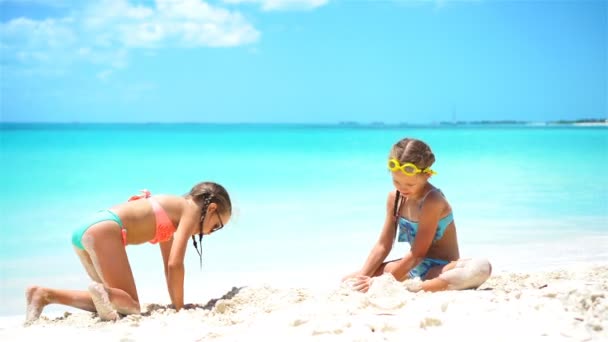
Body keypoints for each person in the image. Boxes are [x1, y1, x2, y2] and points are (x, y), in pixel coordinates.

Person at [25, 181, 232, 323]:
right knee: (132, 306)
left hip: (87, 230)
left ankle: (44, 295)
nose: (212, 233)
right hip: (105, 230)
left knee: (115, 303)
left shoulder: (173, 210)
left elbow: (168, 268)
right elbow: (175, 264)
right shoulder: (190, 210)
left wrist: (176, 304)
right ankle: (89, 292)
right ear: (211, 208)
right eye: (216, 226)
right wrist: (179, 309)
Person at [344, 138, 491, 293]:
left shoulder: (432, 201)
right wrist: (363, 277)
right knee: (349, 281)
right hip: (410, 267)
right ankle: (410, 286)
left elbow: (418, 254)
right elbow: (383, 245)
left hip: (438, 269)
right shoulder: (395, 198)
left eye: (410, 184)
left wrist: (381, 282)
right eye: (396, 181)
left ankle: (418, 288)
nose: (402, 188)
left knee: (481, 267)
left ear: (427, 175)